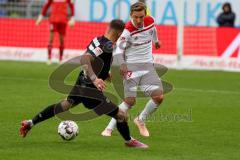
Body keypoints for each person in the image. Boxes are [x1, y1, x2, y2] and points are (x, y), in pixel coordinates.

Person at [19, 19, 148, 149]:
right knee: (121, 115)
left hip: (82, 81)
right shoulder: (106, 45)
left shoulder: (99, 39)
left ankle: (30, 122)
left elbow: (95, 60)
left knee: (65, 105)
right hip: (90, 89)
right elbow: (85, 58)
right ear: (119, 33)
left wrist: (105, 75)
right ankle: (129, 141)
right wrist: (95, 79)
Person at [101, 2, 163, 137]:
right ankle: (109, 128)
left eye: (141, 17)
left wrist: (156, 41)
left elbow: (154, 30)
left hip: (147, 67)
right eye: (136, 17)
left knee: (158, 97)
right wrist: (122, 64)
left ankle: (140, 120)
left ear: (145, 14)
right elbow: (118, 50)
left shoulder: (150, 21)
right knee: (130, 101)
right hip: (131, 69)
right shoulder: (127, 31)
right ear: (131, 15)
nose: (139, 20)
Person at [36, 0, 75, 64]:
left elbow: (71, 5)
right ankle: (49, 58)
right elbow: (46, 5)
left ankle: (60, 59)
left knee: (61, 40)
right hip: (53, 20)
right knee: (51, 39)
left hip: (63, 20)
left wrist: (73, 18)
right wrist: (41, 17)